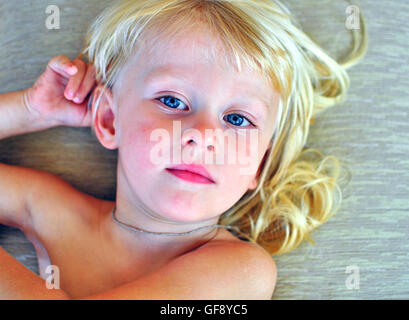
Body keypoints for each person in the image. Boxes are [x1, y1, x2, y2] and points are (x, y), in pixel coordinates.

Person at [0, 0, 367, 299]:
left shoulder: (240, 270)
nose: (203, 135)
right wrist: (29, 111)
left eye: (238, 120)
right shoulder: (52, 207)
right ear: (110, 120)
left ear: (260, 164)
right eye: (172, 101)